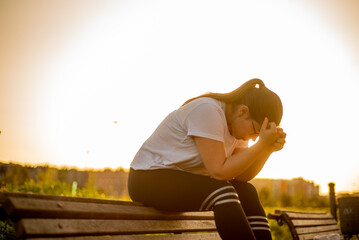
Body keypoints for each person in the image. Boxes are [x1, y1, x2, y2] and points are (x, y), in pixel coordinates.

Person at [128, 78, 286, 240]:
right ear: (243, 111)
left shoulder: (238, 127)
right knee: (223, 193)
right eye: (255, 131)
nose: (253, 139)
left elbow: (241, 176)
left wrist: (267, 149)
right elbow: (219, 172)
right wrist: (261, 145)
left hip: (181, 180)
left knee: (247, 192)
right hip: (147, 179)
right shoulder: (208, 110)